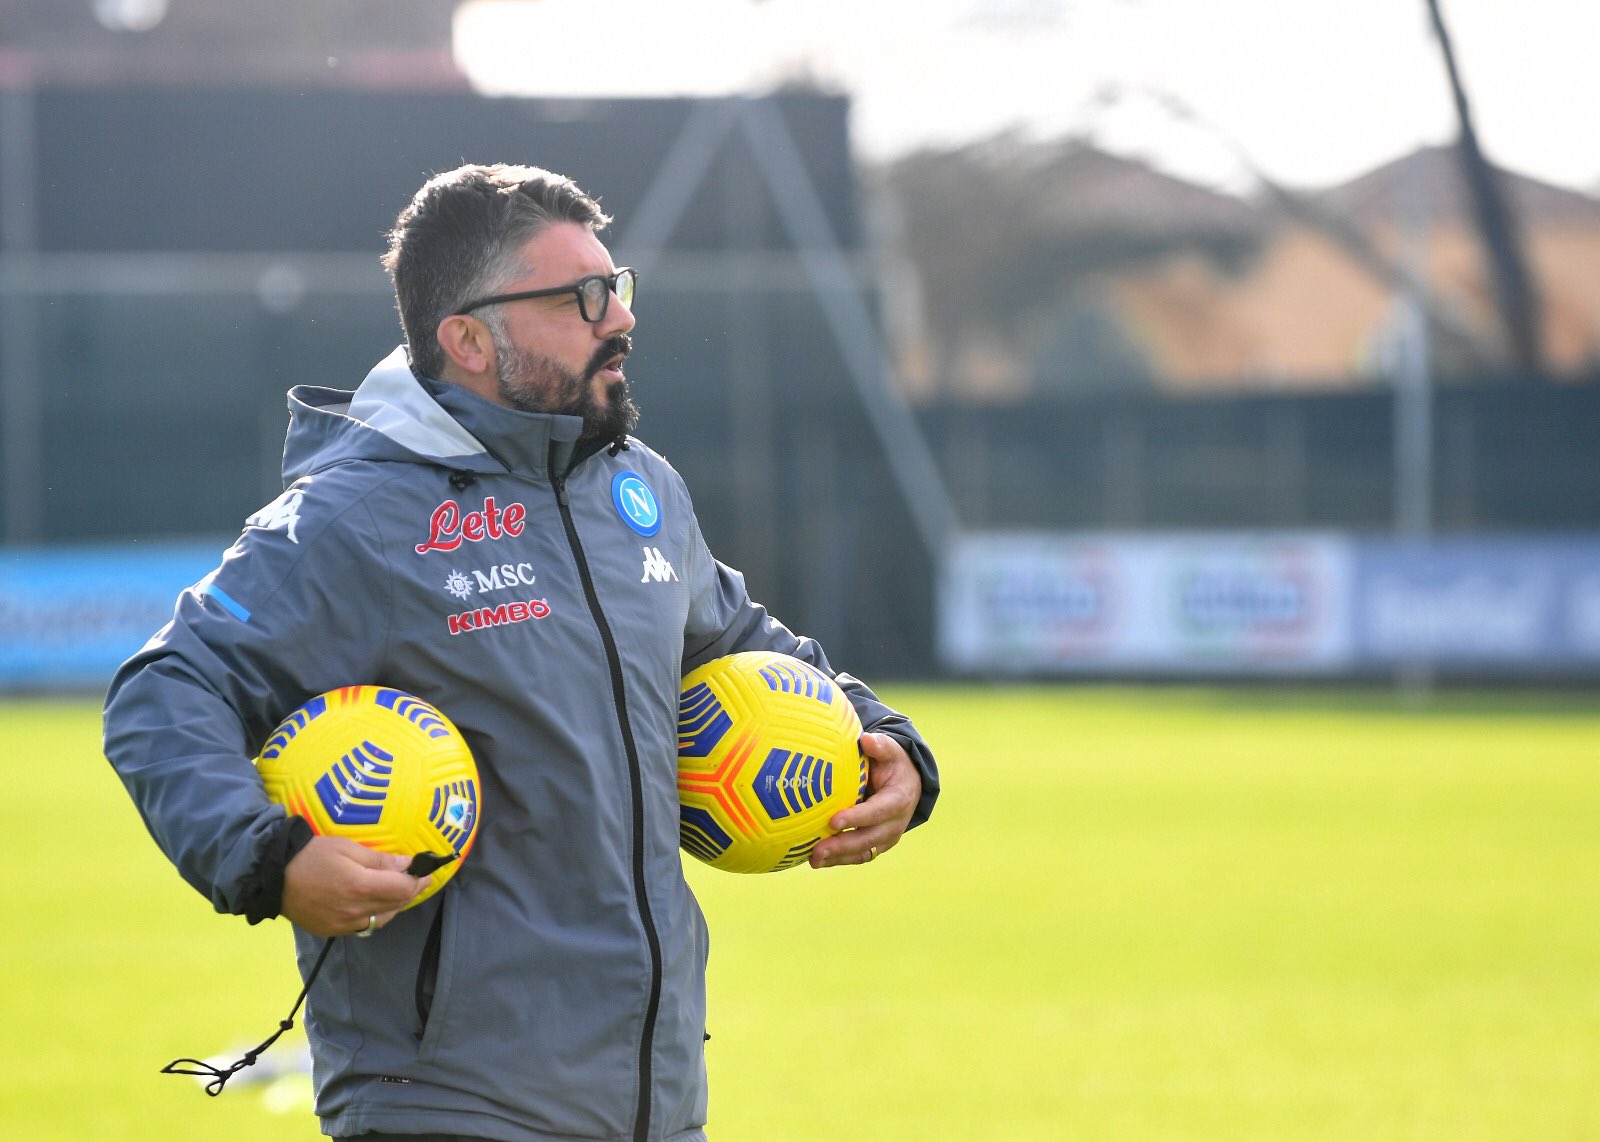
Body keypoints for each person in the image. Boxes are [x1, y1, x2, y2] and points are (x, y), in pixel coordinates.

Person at [102, 162, 939, 1142]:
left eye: (615, 286)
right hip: (450, 1102)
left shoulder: (641, 487)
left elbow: (737, 641)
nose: (618, 319)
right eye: (581, 298)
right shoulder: (353, 517)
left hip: (654, 1100)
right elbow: (167, 688)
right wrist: (267, 856)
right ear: (467, 335)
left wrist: (883, 738)